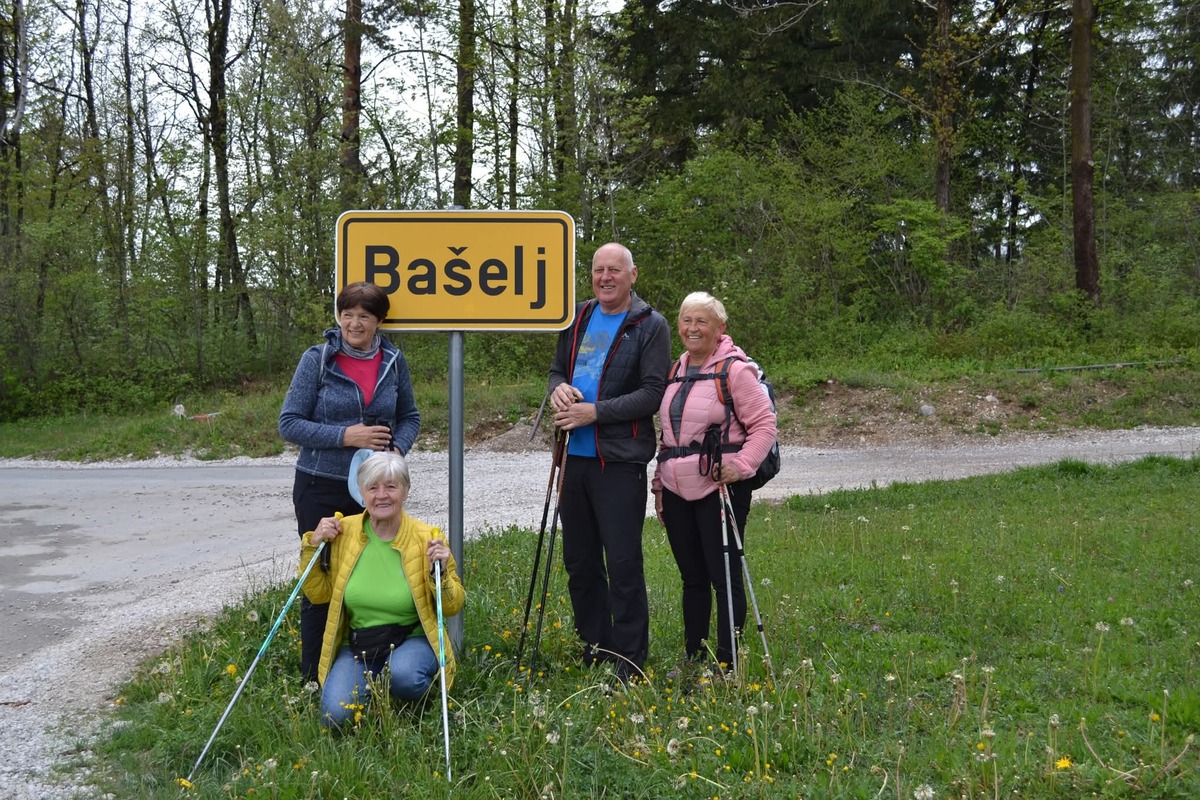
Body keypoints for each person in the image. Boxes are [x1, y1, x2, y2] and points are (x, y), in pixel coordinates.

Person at [279, 281, 421, 681]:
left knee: (369, 577)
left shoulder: (394, 360)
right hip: (320, 484)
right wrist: (347, 436)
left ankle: (370, 668)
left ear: (379, 322)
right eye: (347, 314)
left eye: (364, 316)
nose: (354, 323)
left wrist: (396, 451)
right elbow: (289, 423)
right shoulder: (317, 359)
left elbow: (410, 417)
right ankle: (314, 678)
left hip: (376, 489)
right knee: (321, 579)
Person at [548, 242, 671, 682]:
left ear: (632, 275)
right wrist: (558, 389)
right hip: (573, 458)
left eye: (614, 270)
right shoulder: (578, 317)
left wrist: (595, 412)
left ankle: (631, 656)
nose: (605, 277)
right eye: (599, 269)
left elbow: (653, 393)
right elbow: (557, 370)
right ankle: (597, 645)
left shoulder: (650, 324)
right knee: (579, 562)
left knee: (622, 563)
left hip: (619, 461)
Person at [652, 291, 777, 673]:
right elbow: (668, 437)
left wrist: (742, 466)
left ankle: (727, 662)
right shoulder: (675, 370)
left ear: (720, 327)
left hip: (721, 488)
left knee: (724, 576)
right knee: (692, 578)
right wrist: (659, 486)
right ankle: (694, 657)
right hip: (676, 489)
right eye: (686, 320)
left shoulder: (736, 370)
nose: (692, 328)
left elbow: (764, 426)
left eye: (701, 321)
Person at [299, 451, 464, 727]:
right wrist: (312, 545)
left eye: (391, 486)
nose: (382, 495)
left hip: (411, 639)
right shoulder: (343, 532)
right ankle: (375, 684)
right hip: (359, 644)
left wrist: (442, 572)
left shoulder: (427, 538)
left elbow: (452, 606)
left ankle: (410, 691)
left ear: (406, 491)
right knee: (335, 717)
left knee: (404, 677)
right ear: (361, 493)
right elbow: (318, 595)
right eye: (373, 488)